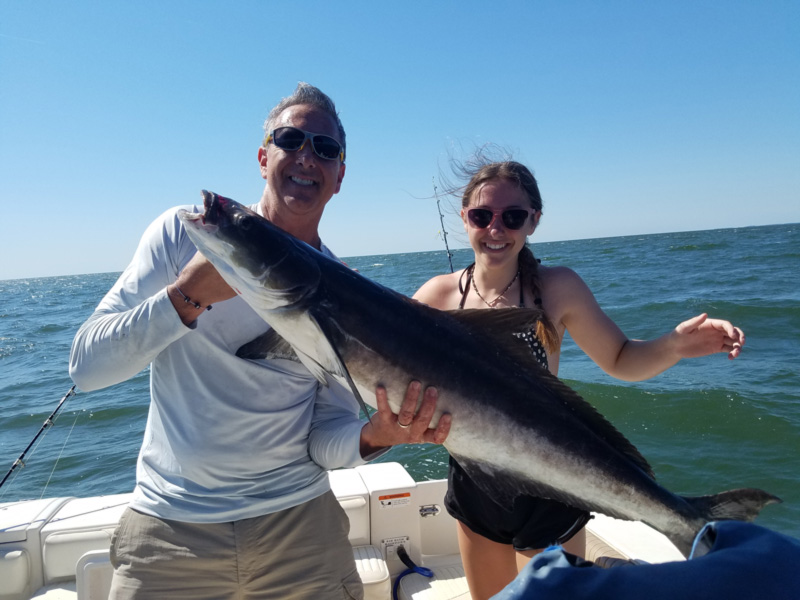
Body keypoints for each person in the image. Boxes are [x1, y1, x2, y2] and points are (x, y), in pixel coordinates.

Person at [69, 82, 451, 600]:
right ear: (262, 156)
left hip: (301, 529)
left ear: (339, 176)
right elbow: (87, 369)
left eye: (325, 148)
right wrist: (186, 296)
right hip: (172, 529)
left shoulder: (343, 289)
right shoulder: (186, 236)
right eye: (290, 139)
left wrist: (375, 436)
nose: (305, 156)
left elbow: (325, 439)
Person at [412, 157, 745, 600]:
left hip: (555, 480)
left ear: (534, 221)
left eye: (512, 217)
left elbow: (621, 359)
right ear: (464, 220)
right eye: (482, 216)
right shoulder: (437, 295)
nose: (496, 229)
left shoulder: (558, 287)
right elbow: (387, 360)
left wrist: (675, 346)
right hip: (476, 484)